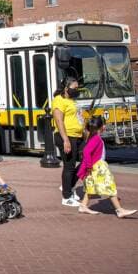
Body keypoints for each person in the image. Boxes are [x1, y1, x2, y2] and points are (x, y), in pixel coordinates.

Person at [77, 117, 138, 218]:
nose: (105, 126)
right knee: (109, 186)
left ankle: (83, 205)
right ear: (101, 127)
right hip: (98, 167)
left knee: (91, 187)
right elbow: (86, 151)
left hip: (95, 166)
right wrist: (88, 166)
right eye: (103, 125)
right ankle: (119, 210)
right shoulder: (96, 138)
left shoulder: (93, 137)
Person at [52, 76, 85, 207]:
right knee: (69, 166)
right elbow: (59, 120)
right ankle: (66, 196)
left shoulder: (72, 100)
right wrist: (65, 140)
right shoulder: (58, 100)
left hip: (77, 136)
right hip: (66, 136)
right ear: (66, 88)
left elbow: (79, 117)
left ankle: (68, 186)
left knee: (86, 160)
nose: (77, 90)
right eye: (74, 88)